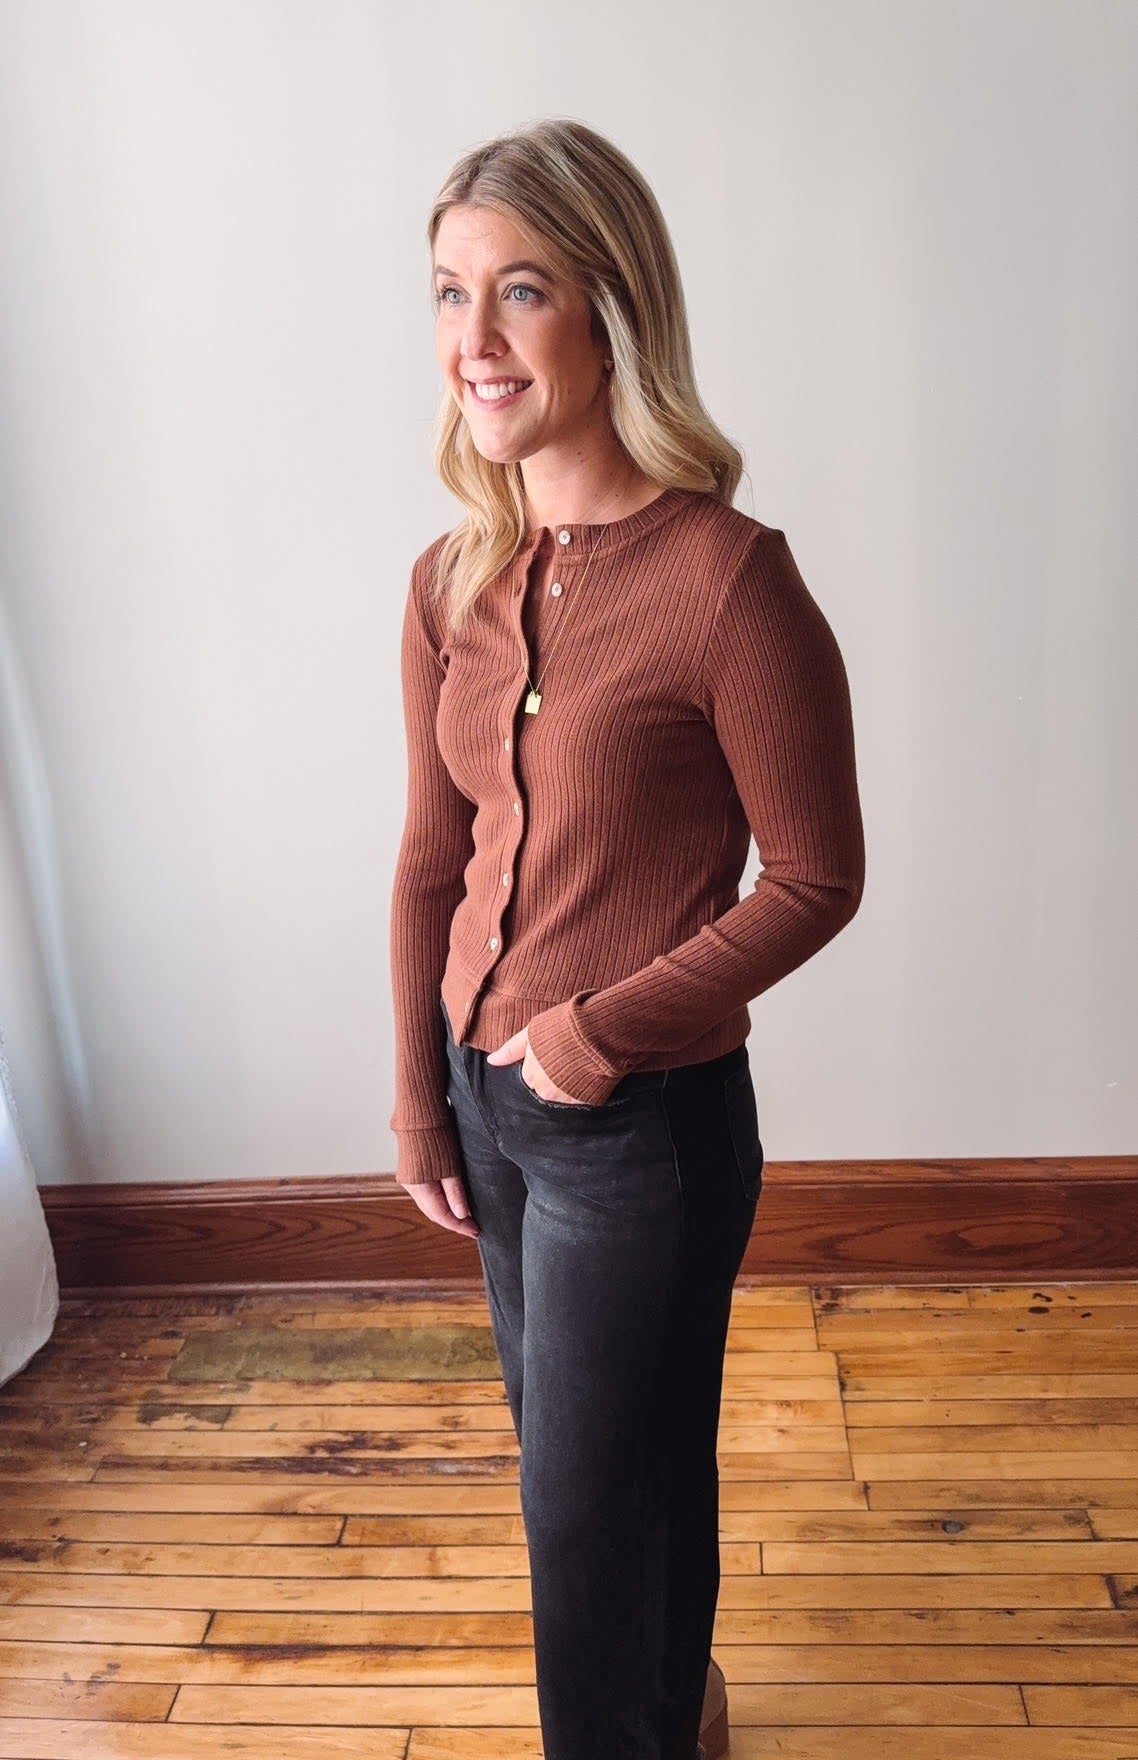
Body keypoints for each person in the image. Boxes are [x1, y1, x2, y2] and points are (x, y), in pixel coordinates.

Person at [389, 117, 865, 1760]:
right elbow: (431, 857)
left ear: (611, 309)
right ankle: (673, 1713)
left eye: (520, 290)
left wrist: (592, 1038)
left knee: (584, 1504)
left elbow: (815, 877)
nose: (475, 338)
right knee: (596, 1465)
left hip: (638, 1127)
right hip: (487, 1111)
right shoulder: (450, 581)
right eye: (449, 291)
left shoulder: (730, 583)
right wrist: (419, 1098)